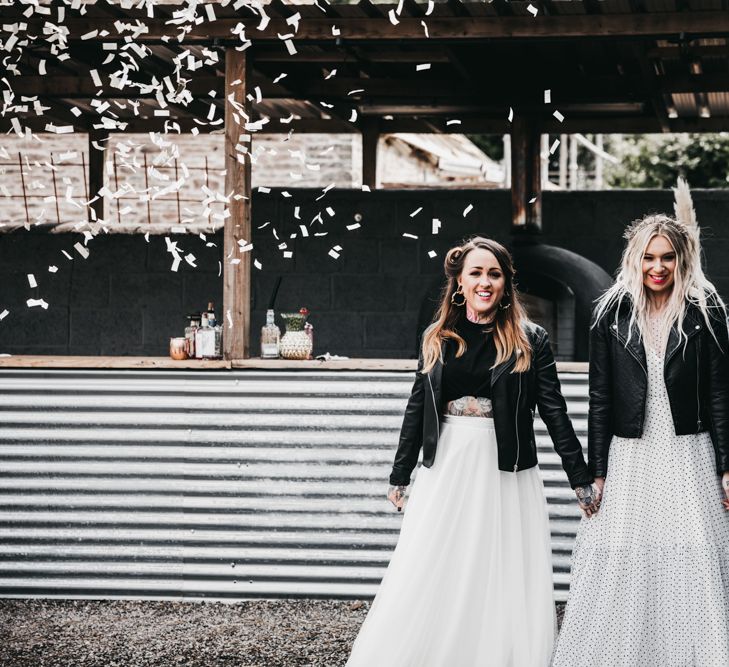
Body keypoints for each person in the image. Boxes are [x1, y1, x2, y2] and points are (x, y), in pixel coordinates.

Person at [346, 236, 598, 667]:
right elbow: (418, 405)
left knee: (497, 568)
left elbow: (554, 411)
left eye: (494, 274)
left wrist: (581, 479)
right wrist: (400, 473)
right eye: (476, 273)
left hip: (506, 470)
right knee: (434, 562)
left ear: (505, 284)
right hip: (446, 465)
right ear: (459, 283)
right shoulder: (437, 337)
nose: (485, 282)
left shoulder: (530, 339)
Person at [552, 179, 729, 667]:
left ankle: (689, 652)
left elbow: (719, 391)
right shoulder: (611, 313)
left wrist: (726, 463)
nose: (657, 267)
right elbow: (600, 396)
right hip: (630, 452)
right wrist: (595, 470)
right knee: (623, 555)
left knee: (691, 550)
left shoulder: (705, 311)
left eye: (667, 257)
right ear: (635, 258)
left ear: (681, 260)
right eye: (649, 257)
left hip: (687, 450)